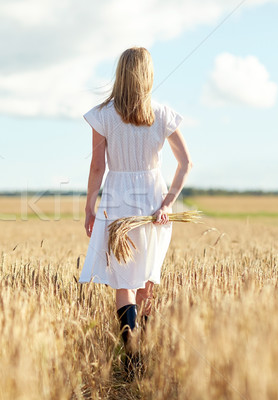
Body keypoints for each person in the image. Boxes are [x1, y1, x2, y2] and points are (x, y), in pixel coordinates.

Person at [78, 47, 193, 377]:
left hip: (117, 202)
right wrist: (167, 204)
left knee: (123, 281)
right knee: (147, 278)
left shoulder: (102, 115)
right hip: (153, 202)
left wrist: (90, 205)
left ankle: (131, 357)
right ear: (148, 75)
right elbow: (186, 163)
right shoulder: (162, 114)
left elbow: (98, 166)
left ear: (120, 73)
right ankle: (141, 349)